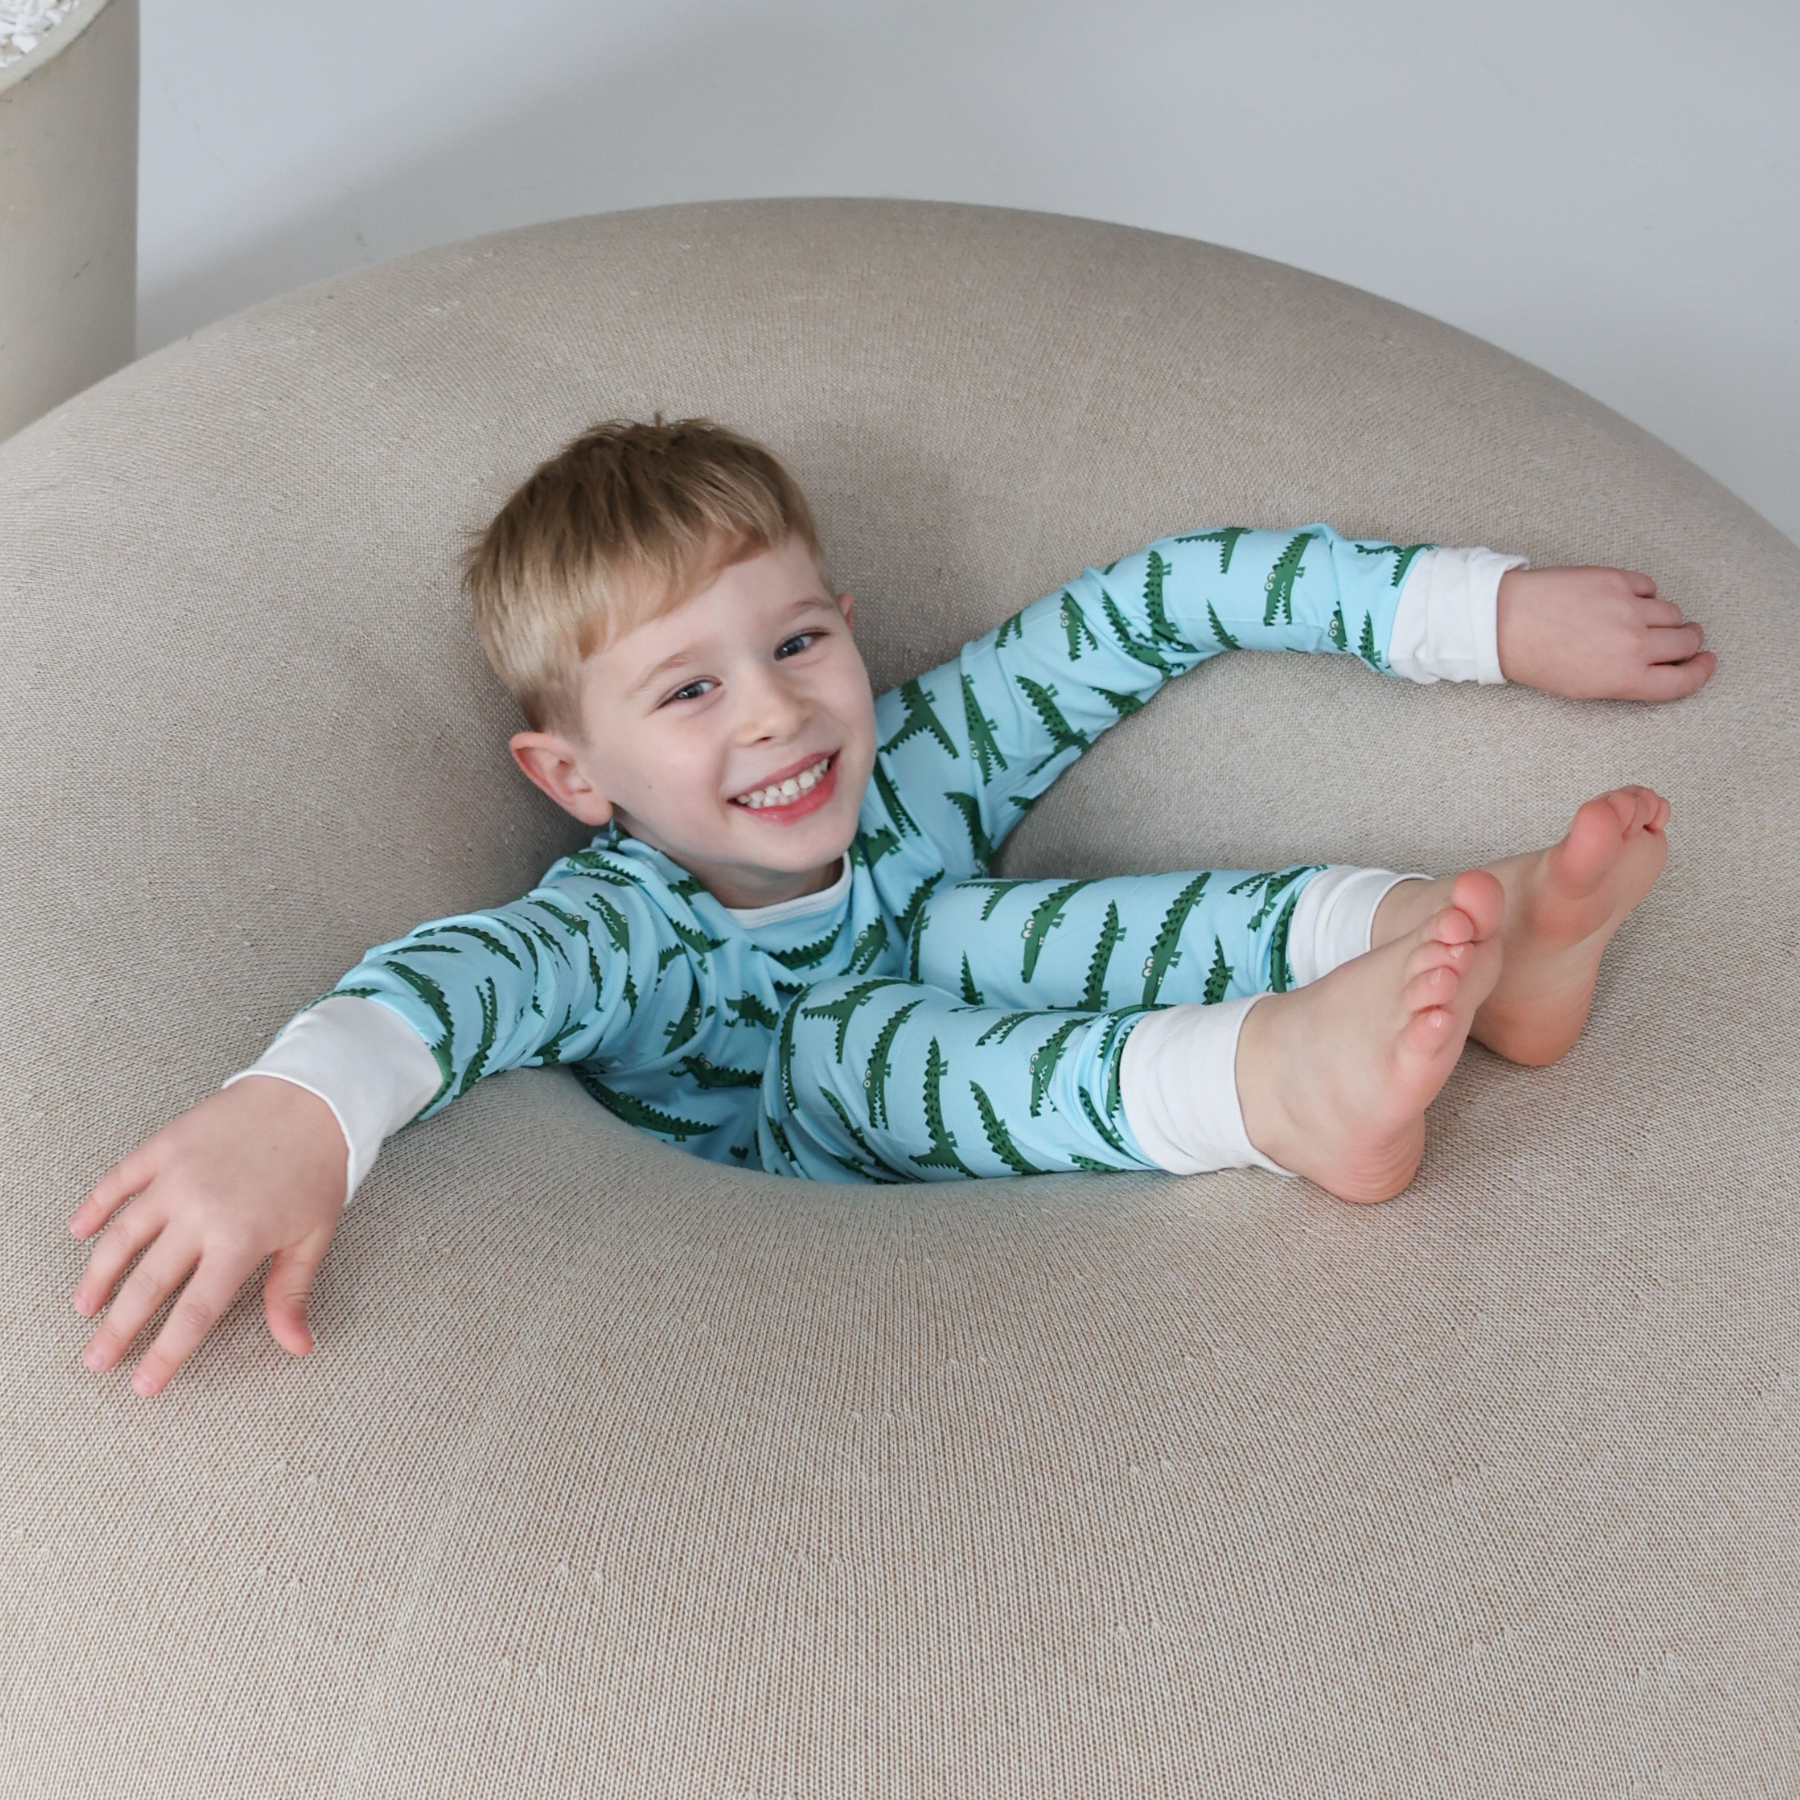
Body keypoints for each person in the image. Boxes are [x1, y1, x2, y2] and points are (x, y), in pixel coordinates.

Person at [68, 419, 1715, 1396]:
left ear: (847, 625)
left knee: (991, 931)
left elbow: (1153, 603)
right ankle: (1271, 1086)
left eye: (797, 644)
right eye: (689, 691)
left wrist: (1482, 613)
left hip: (949, 987)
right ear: (574, 775)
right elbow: (465, 980)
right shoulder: (621, 927)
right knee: (856, 1029)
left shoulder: (913, 763)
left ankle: (1456, 935)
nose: (776, 713)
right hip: (792, 1159)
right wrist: (302, 1104)